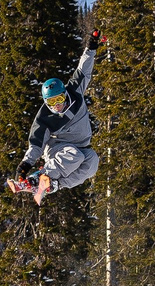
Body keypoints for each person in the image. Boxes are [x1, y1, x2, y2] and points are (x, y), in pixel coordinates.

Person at [8, 31, 102, 204]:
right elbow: (36, 145)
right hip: (58, 148)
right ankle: (38, 178)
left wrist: (91, 48)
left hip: (81, 146)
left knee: (92, 162)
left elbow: (83, 70)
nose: (57, 105)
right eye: (51, 102)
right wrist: (25, 165)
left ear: (65, 94)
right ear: (46, 102)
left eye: (59, 99)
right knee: (74, 155)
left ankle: (55, 184)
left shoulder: (75, 92)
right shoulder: (44, 117)